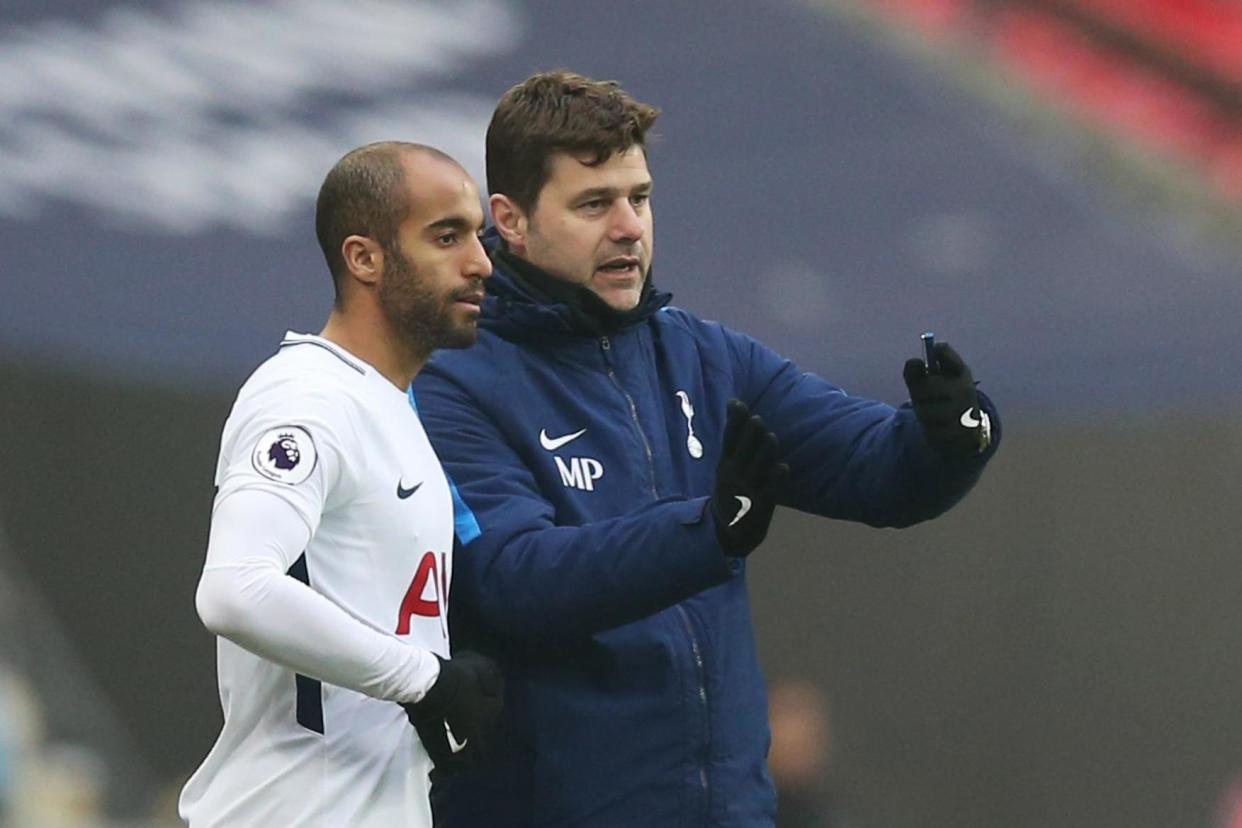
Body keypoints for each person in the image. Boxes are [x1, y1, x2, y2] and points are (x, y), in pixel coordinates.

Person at [411, 71, 1001, 827]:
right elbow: (514, 580)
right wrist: (709, 531)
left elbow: (874, 468)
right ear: (511, 220)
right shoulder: (449, 381)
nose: (628, 227)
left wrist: (952, 439)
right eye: (594, 204)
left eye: (640, 197)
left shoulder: (700, 356)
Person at [179, 142, 503, 827]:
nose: (480, 262)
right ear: (364, 258)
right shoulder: (308, 399)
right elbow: (235, 589)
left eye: (478, 235)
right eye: (447, 237)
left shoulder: (391, 405)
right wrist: (425, 680)